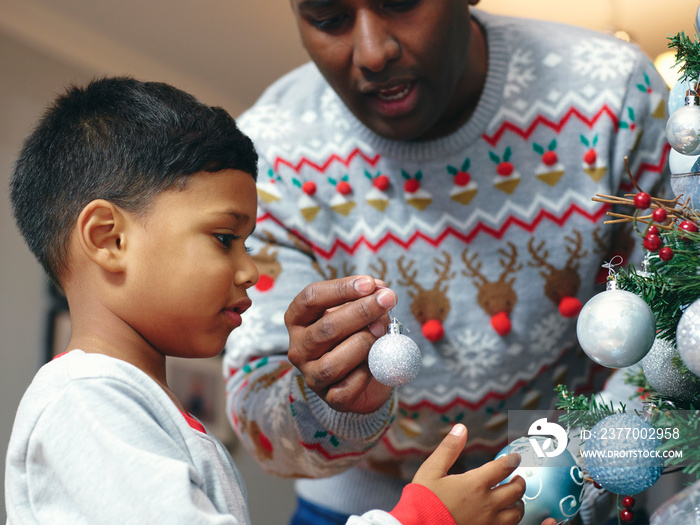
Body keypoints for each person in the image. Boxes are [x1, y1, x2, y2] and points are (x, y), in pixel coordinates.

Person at [5, 76, 556, 525]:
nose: (249, 270)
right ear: (109, 238)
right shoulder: (86, 405)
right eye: (225, 238)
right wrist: (423, 518)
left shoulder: (126, 405)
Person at [223, 1, 671, 524]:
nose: (373, 52)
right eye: (328, 18)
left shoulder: (615, 92)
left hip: (576, 491)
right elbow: (257, 418)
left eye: (400, 2)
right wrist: (328, 402)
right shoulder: (267, 153)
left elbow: (675, 331)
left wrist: (551, 482)